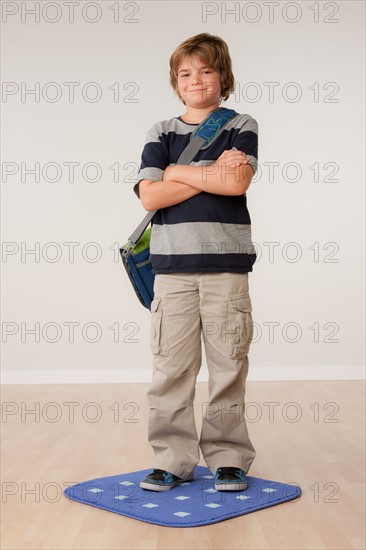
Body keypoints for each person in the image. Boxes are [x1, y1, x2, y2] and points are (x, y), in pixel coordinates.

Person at [133, 33, 258, 492]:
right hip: (172, 269)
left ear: (223, 77)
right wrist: (210, 173)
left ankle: (228, 457)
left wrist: (178, 172)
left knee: (228, 366)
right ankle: (172, 458)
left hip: (227, 266)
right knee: (171, 369)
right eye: (186, 73)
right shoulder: (161, 132)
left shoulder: (241, 123)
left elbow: (236, 185)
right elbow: (150, 193)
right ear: (175, 82)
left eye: (207, 71)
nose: (197, 80)